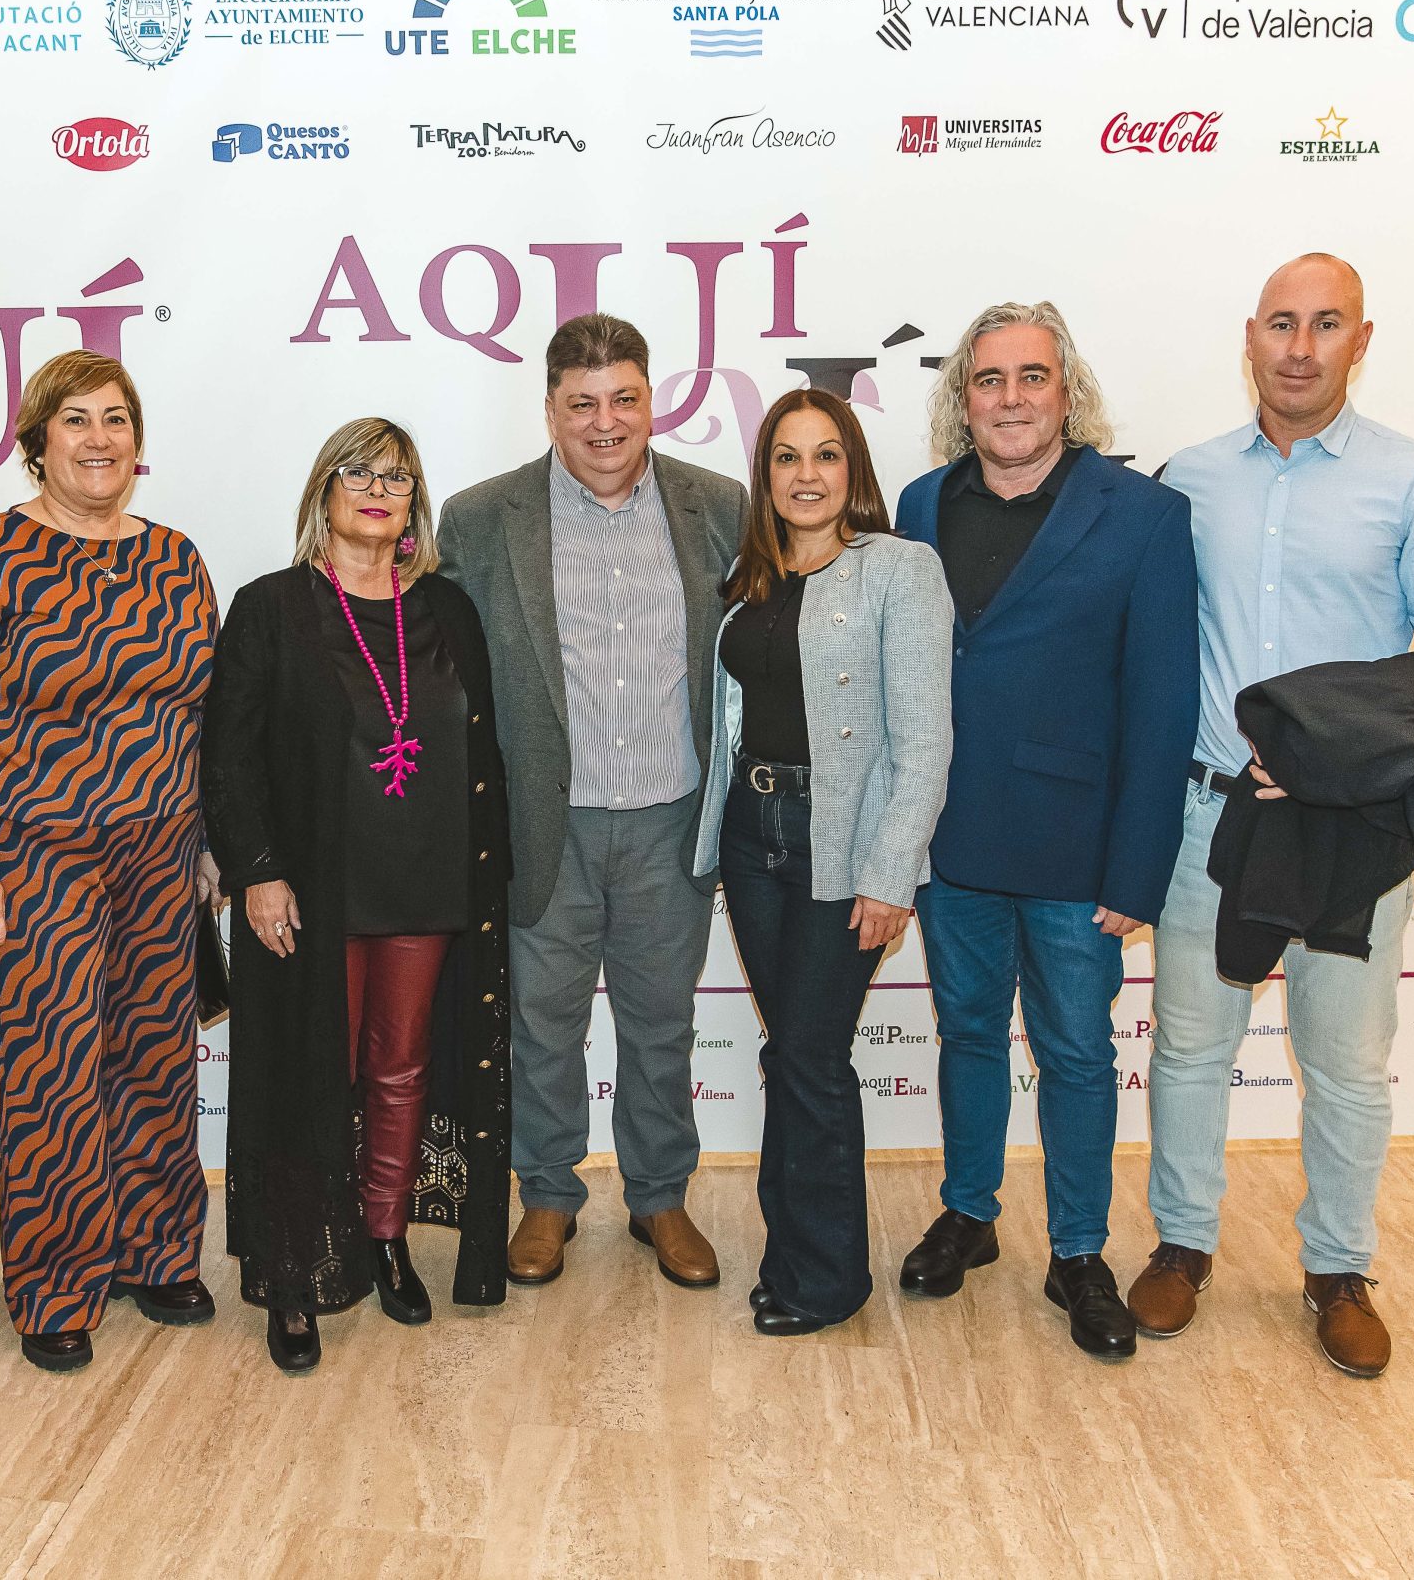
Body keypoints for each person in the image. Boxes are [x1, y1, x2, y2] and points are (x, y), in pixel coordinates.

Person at [1130, 254, 1414, 1378]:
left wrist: (1336, 749)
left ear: (1361, 339)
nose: (1300, 347)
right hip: (1211, 815)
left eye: (1326, 323)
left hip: (1350, 828)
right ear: (1249, 337)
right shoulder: (1186, 480)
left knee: (1344, 1060)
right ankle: (1182, 1243)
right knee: (1190, 1045)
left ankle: (1338, 1267)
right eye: (1282, 324)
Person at [891, 303, 1197, 1360]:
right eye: (989, 379)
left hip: (1077, 849)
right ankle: (968, 1212)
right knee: (967, 1032)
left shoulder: (1144, 514)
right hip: (951, 836)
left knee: (1073, 1051)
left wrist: (1137, 868)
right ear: (962, 398)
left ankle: (1078, 1251)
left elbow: (1164, 701)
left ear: (1067, 391)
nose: (1010, 398)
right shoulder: (922, 503)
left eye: (1032, 376)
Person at [0, 349, 222, 1374]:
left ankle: (157, 1251)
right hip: (31, 861)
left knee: (155, 1058)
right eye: (76, 419)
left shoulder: (176, 559)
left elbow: (206, 714)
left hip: (161, 857)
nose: (99, 438)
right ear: (36, 441)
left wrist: (209, 841)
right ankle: (54, 1283)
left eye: (116, 418)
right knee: (47, 1071)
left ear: (138, 441)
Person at [437, 313, 747, 1290]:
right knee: (542, 1022)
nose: (604, 422)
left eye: (623, 398)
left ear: (652, 401)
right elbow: (447, 683)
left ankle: (659, 1194)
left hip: (670, 812)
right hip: (545, 819)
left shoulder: (720, 506)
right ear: (550, 410)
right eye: (582, 403)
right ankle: (547, 1194)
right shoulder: (481, 519)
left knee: (661, 1022)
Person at [202, 419, 514, 1373]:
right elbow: (230, 755)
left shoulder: (449, 609)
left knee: (400, 1067)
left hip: (430, 880)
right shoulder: (270, 606)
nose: (378, 490)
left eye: (396, 476)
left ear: (415, 501)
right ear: (323, 492)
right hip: (313, 890)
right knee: (311, 1073)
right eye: (358, 473)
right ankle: (294, 1269)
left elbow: (483, 744)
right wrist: (257, 870)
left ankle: (384, 1237)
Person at [690, 388, 953, 1336]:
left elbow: (925, 742)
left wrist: (891, 875)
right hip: (750, 834)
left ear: (854, 470)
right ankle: (790, 1256)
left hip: (840, 841)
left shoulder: (901, 569)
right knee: (789, 1050)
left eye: (827, 454)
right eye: (787, 457)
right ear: (765, 475)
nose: (807, 475)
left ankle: (830, 1277)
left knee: (809, 1053)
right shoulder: (748, 577)